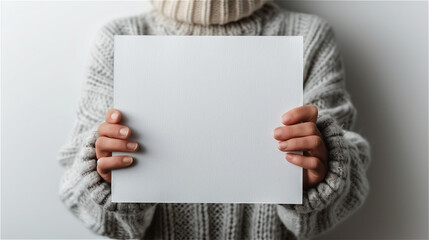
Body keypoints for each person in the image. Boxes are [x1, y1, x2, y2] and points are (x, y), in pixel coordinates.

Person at [57, 0, 371, 239]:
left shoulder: (308, 37)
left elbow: (344, 189)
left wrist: (321, 174)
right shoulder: (120, 39)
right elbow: (77, 190)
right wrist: (106, 180)